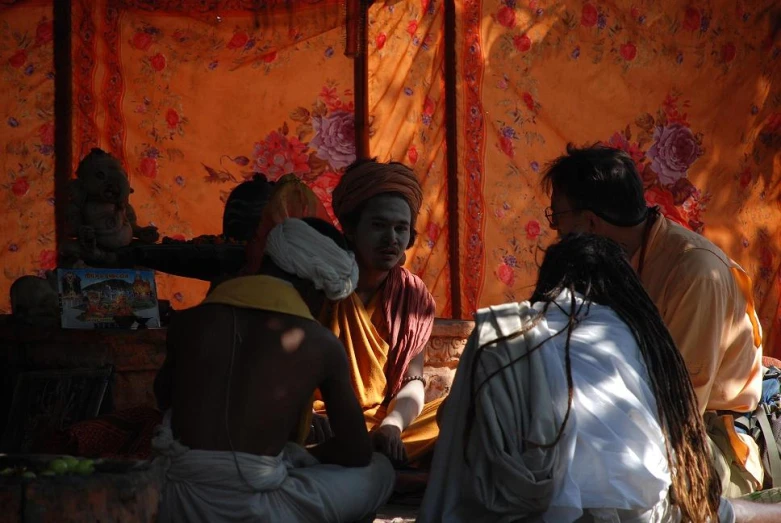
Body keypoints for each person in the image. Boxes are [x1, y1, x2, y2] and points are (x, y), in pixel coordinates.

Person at [419, 234, 779, 523]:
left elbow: (455, 422)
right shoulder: (642, 336)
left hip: (521, 507)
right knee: (714, 512)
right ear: (625, 286)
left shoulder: (504, 332)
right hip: (641, 511)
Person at [542, 144, 764, 496]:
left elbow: (678, 407)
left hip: (709, 438)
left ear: (589, 221)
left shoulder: (695, 271)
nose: (554, 231)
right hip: (632, 420)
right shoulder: (610, 262)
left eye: (557, 216)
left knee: (602, 479)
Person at [152, 217, 394, 523]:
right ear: (315, 288)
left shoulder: (188, 322)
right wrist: (301, 456)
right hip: (260, 510)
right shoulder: (321, 343)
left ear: (267, 261)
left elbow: (163, 398)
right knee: (381, 471)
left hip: (176, 500)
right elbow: (357, 453)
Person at [312, 158, 439, 466]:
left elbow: (412, 380)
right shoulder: (317, 283)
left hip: (383, 421)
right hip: (322, 420)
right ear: (352, 229)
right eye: (379, 226)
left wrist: (393, 425)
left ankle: (373, 451)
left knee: (464, 410)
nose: (391, 239)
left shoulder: (413, 294)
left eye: (401, 228)